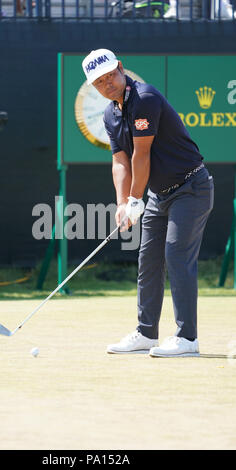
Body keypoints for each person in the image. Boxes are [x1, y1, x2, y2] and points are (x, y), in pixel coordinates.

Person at [82, 49, 214, 357]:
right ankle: (146, 332)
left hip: (191, 186)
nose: (108, 84)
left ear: (121, 68)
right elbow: (120, 162)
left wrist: (135, 198)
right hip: (159, 194)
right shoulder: (110, 114)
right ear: (94, 87)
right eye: (100, 82)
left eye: (111, 76)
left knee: (176, 255)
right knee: (149, 259)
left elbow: (142, 154)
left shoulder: (145, 99)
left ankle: (187, 338)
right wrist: (122, 204)